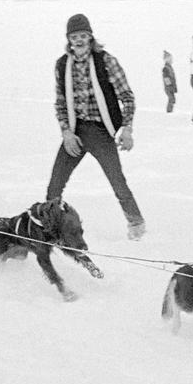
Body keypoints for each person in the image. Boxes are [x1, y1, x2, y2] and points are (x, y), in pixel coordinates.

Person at [47, 13, 145, 240]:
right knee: (55, 185)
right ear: (68, 39)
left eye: (83, 35)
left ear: (91, 37)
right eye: (74, 37)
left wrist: (127, 128)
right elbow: (61, 102)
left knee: (117, 182)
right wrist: (66, 132)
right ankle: (51, 229)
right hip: (75, 133)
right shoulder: (62, 65)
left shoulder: (106, 61)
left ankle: (136, 224)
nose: (79, 41)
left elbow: (127, 97)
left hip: (101, 132)